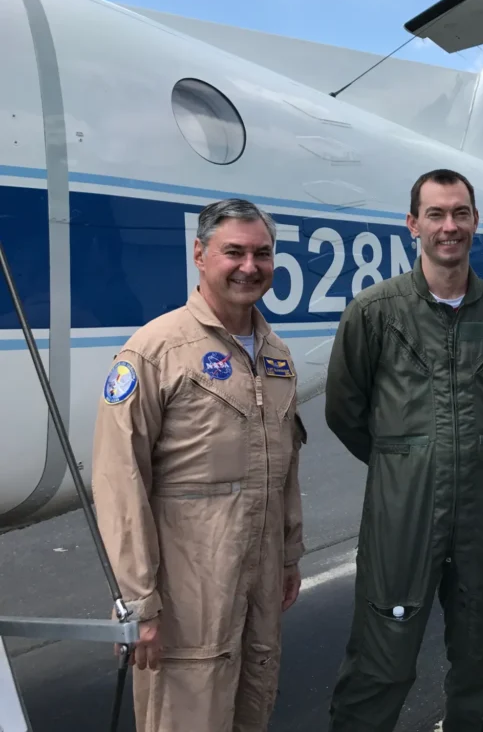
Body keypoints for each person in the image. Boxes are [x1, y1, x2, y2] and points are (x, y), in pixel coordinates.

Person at [324, 168, 483, 731]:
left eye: (460, 214)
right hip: (403, 515)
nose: (450, 227)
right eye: (437, 215)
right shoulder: (374, 312)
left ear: (475, 221)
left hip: (480, 515)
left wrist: (463, 452)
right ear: (412, 223)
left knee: (479, 661)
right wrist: (406, 461)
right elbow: (344, 411)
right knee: (381, 662)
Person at [91, 199, 307, 732]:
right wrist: (139, 602)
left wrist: (289, 555)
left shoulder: (276, 354)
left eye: (261, 253)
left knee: (251, 713)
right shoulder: (155, 351)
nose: (249, 266)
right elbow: (120, 480)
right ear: (199, 254)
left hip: (258, 590)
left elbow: (286, 470)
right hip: (187, 601)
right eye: (233, 251)